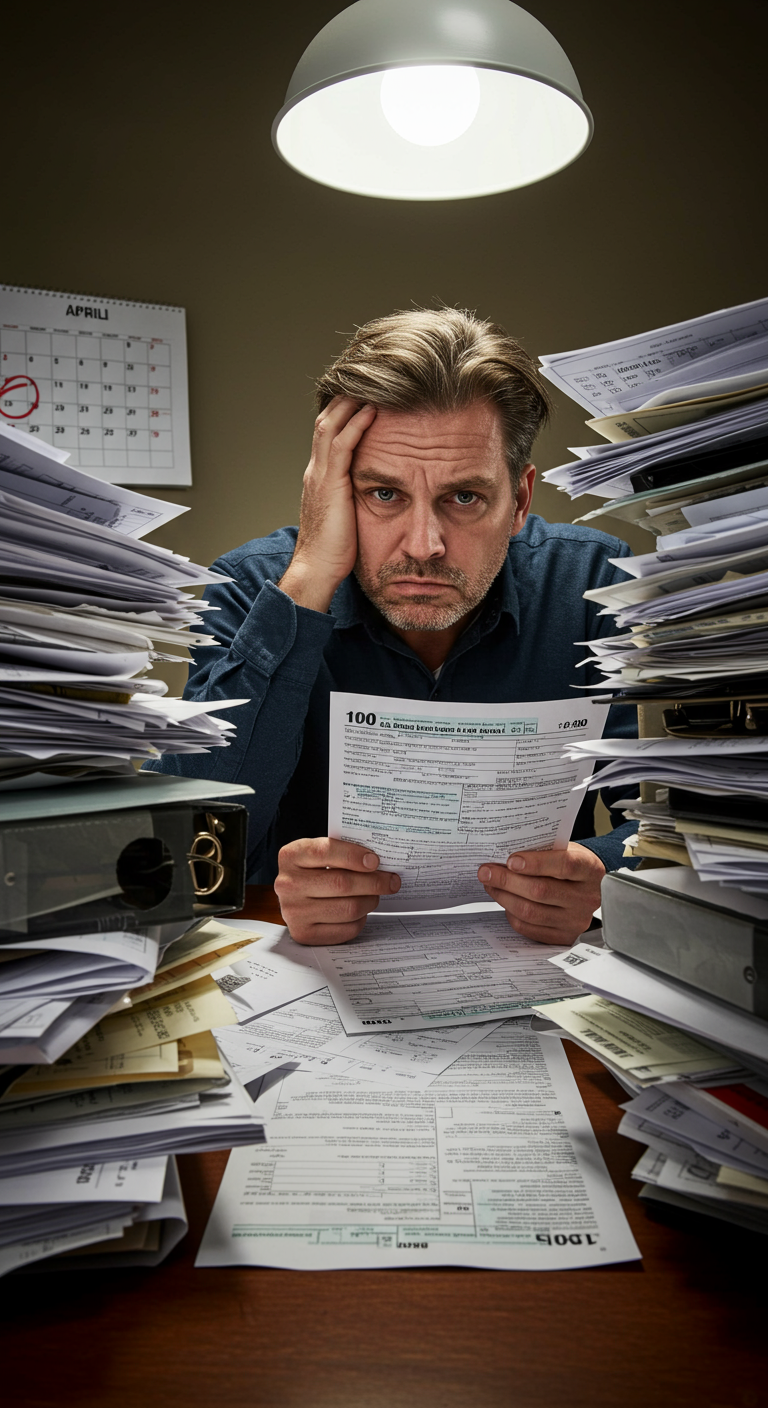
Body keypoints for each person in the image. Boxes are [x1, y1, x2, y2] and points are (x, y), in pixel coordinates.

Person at [148, 308, 637, 945]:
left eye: (464, 497)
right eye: (383, 494)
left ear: (519, 501)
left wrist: (608, 872)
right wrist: (305, 585)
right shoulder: (252, 588)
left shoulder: (599, 584)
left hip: (540, 969)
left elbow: (679, 814)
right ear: (333, 492)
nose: (424, 545)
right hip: (306, 969)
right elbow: (187, 843)